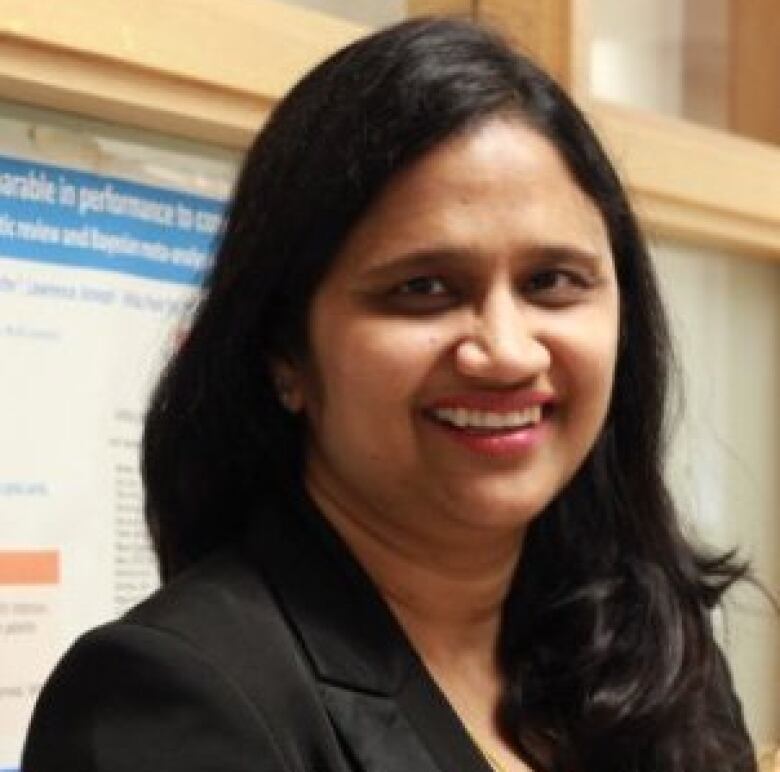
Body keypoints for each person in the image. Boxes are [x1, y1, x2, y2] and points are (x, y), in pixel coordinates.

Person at [22, 17, 756, 772]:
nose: (505, 351)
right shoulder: (175, 701)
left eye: (552, 283)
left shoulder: (650, 656)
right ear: (285, 351)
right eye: (424, 289)